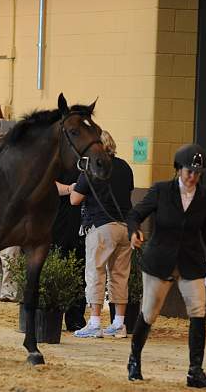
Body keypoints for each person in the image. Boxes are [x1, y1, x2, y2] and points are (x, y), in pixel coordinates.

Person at [127, 144, 206, 389]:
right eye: (189, 171)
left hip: (191, 260)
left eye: (197, 173)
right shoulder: (160, 190)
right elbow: (135, 214)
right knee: (149, 312)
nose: (193, 177)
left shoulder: (205, 197)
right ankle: (134, 359)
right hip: (160, 259)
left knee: (198, 312)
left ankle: (195, 371)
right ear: (178, 169)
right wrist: (134, 231)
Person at [70, 130, 134, 339]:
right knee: (120, 275)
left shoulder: (91, 167)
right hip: (125, 226)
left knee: (96, 273)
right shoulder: (125, 167)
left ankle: (95, 321)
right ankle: (119, 323)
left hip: (101, 225)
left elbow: (75, 200)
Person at [54, 169, 87, 331]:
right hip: (60, 226)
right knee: (58, 269)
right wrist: (70, 188)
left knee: (81, 273)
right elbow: (49, 184)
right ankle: (53, 314)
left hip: (83, 227)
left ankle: (76, 318)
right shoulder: (58, 159)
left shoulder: (89, 163)